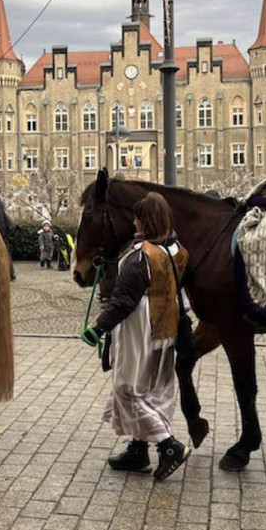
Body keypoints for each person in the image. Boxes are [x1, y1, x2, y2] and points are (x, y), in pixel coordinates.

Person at [91, 192, 191, 481]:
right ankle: (138, 450)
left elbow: (123, 300)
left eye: (137, 217)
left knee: (128, 388)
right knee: (155, 390)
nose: (133, 221)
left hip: (140, 329)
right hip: (166, 327)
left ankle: (167, 445)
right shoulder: (177, 249)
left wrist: (98, 327)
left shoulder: (140, 256)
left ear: (145, 220)